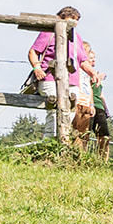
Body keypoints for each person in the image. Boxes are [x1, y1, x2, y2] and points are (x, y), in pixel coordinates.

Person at [27, 7, 97, 139]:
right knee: (54, 110)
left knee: (69, 111)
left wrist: (92, 73)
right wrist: (37, 68)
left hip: (72, 80)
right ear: (61, 18)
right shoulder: (48, 33)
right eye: (71, 20)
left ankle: (63, 141)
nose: (73, 24)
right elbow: (33, 52)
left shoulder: (76, 37)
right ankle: (49, 143)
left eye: (76, 21)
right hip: (50, 78)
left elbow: (82, 60)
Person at [81, 41, 110, 157]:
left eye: (94, 58)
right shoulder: (84, 73)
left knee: (104, 134)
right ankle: (82, 156)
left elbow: (101, 94)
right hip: (87, 104)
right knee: (85, 133)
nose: (93, 60)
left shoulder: (95, 74)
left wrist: (106, 108)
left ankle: (103, 158)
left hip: (98, 106)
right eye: (91, 57)